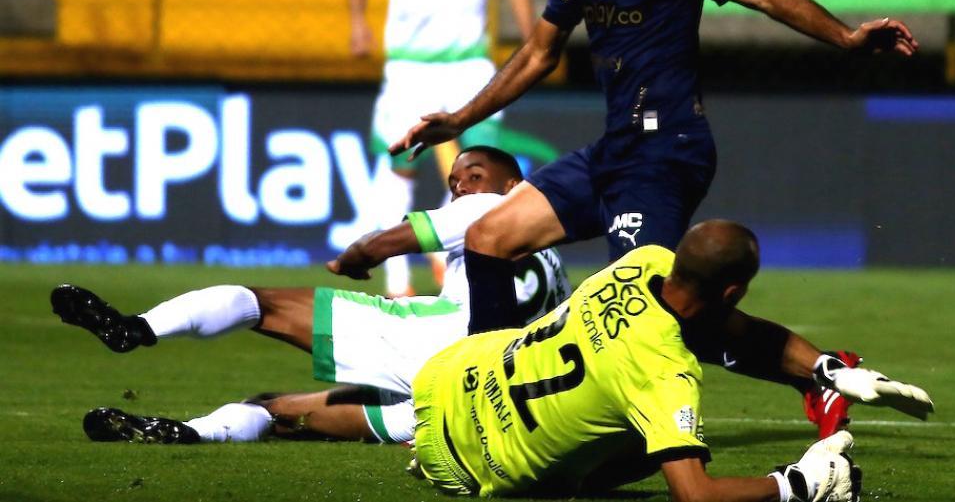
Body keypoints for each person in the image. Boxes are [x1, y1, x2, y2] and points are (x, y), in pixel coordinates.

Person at [389, 0, 918, 435]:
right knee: (487, 239)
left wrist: (847, 38)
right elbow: (538, 54)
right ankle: (483, 397)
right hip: (613, 151)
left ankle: (821, 371)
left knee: (660, 314)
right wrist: (458, 118)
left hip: (667, 152)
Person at [52, 147, 571, 446]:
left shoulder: (488, 207)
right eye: (455, 180)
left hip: (431, 345)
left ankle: (135, 329)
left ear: (512, 183)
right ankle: (188, 433)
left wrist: (352, 259)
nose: (461, 188)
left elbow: (389, 242)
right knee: (280, 412)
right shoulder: (554, 253)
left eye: (474, 176)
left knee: (262, 302)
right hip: (483, 396)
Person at [409, 220, 930, 499]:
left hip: (446, 379)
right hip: (473, 471)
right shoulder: (667, 375)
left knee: (635, 418)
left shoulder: (643, 261)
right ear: (733, 291)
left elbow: (741, 335)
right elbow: (695, 497)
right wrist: (798, 484)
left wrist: (826, 371)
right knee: (662, 442)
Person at [348, 0, 548, 297]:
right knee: (400, 166)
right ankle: (398, 280)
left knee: (481, 169)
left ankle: (444, 252)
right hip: (409, 66)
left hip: (469, 65)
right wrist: (359, 23)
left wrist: (535, 40)